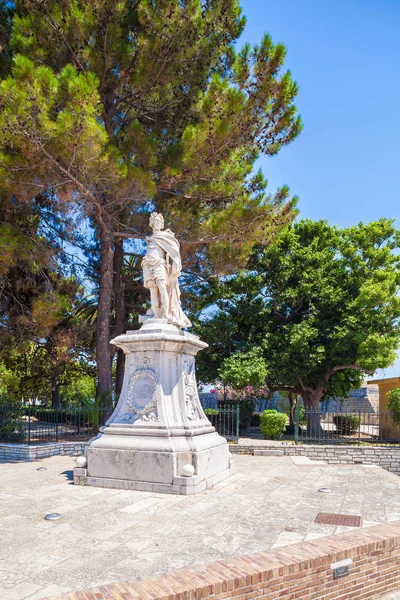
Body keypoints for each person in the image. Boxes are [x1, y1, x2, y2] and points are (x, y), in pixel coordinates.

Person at [142, 212, 191, 329]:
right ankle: (156, 314)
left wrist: (175, 265)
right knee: (153, 290)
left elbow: (174, 251)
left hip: (159, 264)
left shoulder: (165, 237)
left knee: (162, 287)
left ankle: (166, 313)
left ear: (162, 224)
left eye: (159, 221)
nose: (158, 223)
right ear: (152, 223)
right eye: (156, 221)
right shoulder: (150, 238)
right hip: (147, 265)